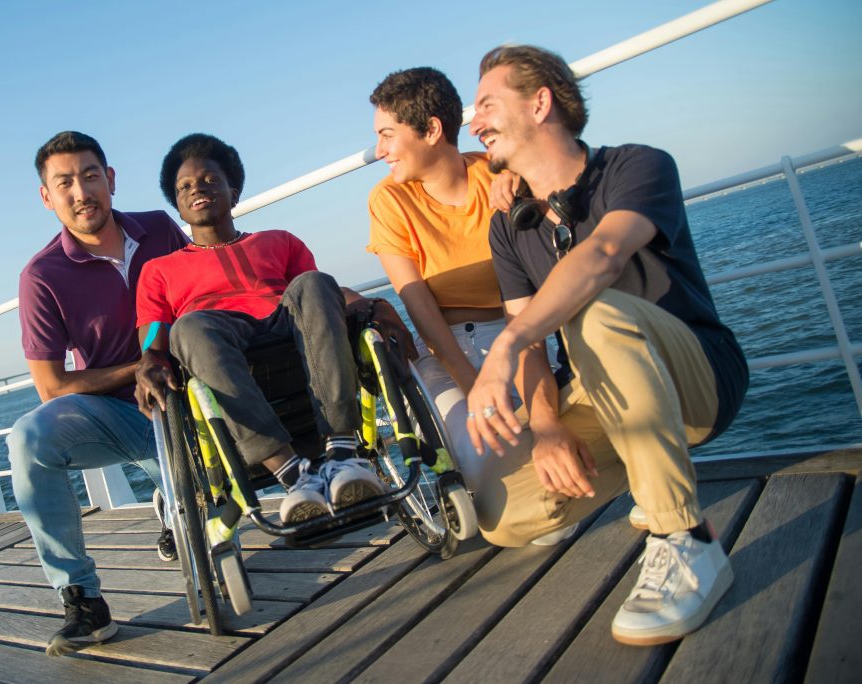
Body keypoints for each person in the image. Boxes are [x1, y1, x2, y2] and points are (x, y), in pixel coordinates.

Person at [465, 46, 748, 645]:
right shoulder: (509, 224)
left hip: (697, 374)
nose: (474, 122)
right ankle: (649, 477)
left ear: (540, 103)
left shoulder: (637, 166)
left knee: (591, 310)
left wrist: (507, 344)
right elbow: (534, 348)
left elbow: (604, 255)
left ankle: (685, 538)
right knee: (500, 513)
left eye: (487, 104)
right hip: (605, 391)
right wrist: (545, 425)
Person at [134, 133, 413, 528]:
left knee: (314, 281)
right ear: (178, 205)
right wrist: (148, 358)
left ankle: (343, 456)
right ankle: (293, 474)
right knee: (189, 326)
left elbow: (322, 297)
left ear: (234, 192)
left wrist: (375, 305)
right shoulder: (158, 271)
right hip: (217, 339)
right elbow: (153, 338)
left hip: (287, 328)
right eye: (184, 187)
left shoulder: (280, 241)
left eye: (210, 180)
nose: (197, 189)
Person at [7, 131, 186, 656]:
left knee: (217, 540)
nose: (81, 192)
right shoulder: (41, 276)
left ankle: (175, 503)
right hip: (119, 415)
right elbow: (52, 386)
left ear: (110, 179)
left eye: (90, 176)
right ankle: (82, 598)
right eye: (64, 183)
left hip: (191, 404)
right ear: (47, 197)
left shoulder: (160, 229)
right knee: (28, 439)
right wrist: (141, 367)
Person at [366, 67, 509, 490]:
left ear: (431, 130)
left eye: (387, 135)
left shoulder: (498, 174)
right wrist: (473, 386)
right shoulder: (389, 200)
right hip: (448, 353)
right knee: (484, 466)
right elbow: (419, 304)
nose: (379, 151)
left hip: (522, 336)